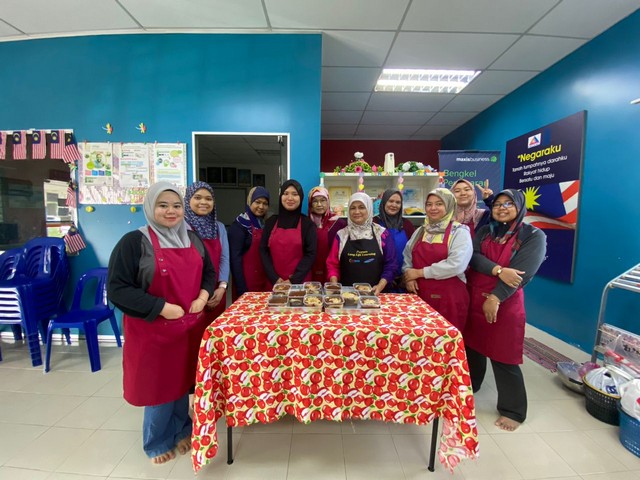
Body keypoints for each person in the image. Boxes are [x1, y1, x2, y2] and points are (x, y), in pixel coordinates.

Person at [107, 182, 216, 464]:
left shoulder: (192, 239)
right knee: (158, 387)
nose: (171, 211)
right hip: (152, 331)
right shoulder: (134, 242)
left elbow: (209, 272)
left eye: (176, 206)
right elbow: (117, 289)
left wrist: (203, 296)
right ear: (150, 207)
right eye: (163, 205)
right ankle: (156, 441)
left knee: (181, 381)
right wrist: (161, 308)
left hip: (188, 327)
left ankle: (182, 429)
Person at [463, 189, 546, 432]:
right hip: (475, 296)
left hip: (505, 302)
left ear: (519, 207)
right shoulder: (486, 231)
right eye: (498, 204)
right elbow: (473, 257)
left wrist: (496, 297)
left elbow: (521, 274)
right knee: (473, 346)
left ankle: (513, 410)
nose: (502, 208)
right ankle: (472, 385)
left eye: (508, 204)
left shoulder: (533, 235)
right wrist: (499, 270)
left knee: (503, 355)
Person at [402, 188, 472, 331]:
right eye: (429, 204)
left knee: (446, 339)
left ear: (449, 206)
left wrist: (419, 273)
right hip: (420, 295)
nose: (433, 208)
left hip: (449, 299)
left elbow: (456, 264)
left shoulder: (459, 232)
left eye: (439, 204)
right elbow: (407, 255)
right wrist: (409, 276)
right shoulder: (421, 231)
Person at [326, 192, 396, 293]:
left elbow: (391, 264)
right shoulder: (341, 235)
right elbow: (332, 264)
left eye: (361, 207)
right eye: (352, 208)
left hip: (376, 294)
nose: (357, 211)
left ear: (369, 208)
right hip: (347, 295)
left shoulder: (382, 234)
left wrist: (380, 286)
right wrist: (334, 283)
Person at [184, 181, 229, 321]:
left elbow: (224, 258)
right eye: (197, 197)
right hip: (190, 292)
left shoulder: (219, 228)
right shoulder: (181, 227)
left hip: (216, 292)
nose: (203, 202)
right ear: (188, 199)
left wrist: (222, 287)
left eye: (208, 199)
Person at [260, 179, 317, 285]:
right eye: (285, 193)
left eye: (295, 194)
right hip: (274, 283)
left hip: (300, 283)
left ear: (301, 197)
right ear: (281, 196)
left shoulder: (307, 224)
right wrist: (274, 278)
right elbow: (263, 251)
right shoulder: (271, 222)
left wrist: (293, 280)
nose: (290, 198)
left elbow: (310, 254)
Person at [229, 186, 271, 299]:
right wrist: (242, 290)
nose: (261, 206)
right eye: (257, 202)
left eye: (265, 203)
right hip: (246, 283)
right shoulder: (239, 225)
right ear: (249, 201)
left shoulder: (265, 224)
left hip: (263, 280)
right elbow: (235, 260)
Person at [373, 189, 416, 291]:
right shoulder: (374, 223)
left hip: (403, 281)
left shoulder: (407, 225)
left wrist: (408, 276)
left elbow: (413, 251)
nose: (394, 205)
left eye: (398, 202)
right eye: (391, 201)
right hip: (379, 281)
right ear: (384, 202)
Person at [307, 186, 345, 282]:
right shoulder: (305, 223)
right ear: (310, 204)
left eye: (323, 200)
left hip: (334, 274)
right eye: (315, 201)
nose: (319, 204)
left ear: (328, 202)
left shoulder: (339, 223)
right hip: (309, 273)